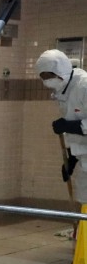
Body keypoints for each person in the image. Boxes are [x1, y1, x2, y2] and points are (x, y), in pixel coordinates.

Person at [36, 49, 87, 203]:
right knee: (83, 200)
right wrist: (71, 159)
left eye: (49, 76)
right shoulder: (63, 90)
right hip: (84, 157)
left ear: (60, 71)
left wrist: (68, 126)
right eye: (43, 77)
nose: (46, 81)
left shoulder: (84, 86)